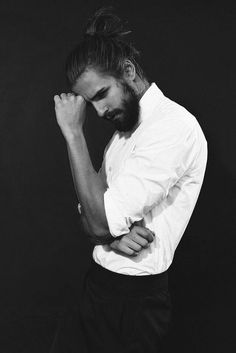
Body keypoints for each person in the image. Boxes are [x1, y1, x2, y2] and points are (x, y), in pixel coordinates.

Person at [53, 7, 208, 353]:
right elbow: (90, 213)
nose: (99, 112)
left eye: (101, 95)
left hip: (134, 307)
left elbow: (95, 221)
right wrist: (112, 235)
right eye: (90, 104)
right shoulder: (125, 132)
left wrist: (74, 135)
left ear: (128, 71)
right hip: (99, 290)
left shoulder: (172, 127)